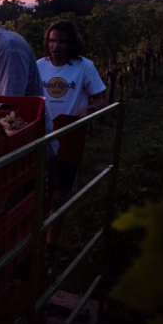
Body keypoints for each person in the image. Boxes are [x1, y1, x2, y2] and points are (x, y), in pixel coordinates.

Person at [37, 20, 106, 264]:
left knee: (59, 196)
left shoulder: (84, 67)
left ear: (72, 44)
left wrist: (88, 109)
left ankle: (49, 249)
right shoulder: (37, 67)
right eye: (52, 40)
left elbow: (100, 98)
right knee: (39, 196)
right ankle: (34, 243)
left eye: (62, 41)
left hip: (69, 136)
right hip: (42, 137)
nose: (55, 46)